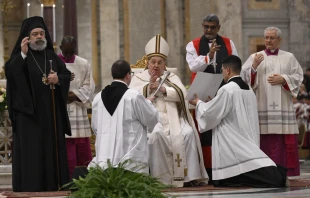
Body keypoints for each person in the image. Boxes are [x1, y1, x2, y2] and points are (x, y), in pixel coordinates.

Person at [189, 55, 287, 187]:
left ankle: (278, 176)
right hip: (246, 134)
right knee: (248, 167)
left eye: (222, 70)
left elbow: (210, 114)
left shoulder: (227, 89)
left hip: (232, 137)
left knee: (240, 169)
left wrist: (199, 103)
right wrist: (213, 102)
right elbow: (226, 109)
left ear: (228, 70)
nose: (222, 73)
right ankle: (277, 175)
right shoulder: (248, 89)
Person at [130, 35, 208, 187]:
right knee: (156, 135)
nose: (156, 66)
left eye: (160, 62)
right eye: (153, 62)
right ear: (148, 63)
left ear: (165, 64)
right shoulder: (139, 78)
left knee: (188, 133)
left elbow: (184, 95)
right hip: (152, 120)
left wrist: (165, 90)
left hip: (173, 118)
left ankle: (189, 177)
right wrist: (148, 87)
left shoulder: (171, 76)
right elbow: (132, 97)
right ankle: (160, 179)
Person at [5, 16, 71, 191]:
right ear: (27, 37)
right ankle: (30, 187)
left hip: (50, 115)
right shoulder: (21, 56)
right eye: (35, 34)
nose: (39, 37)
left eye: (42, 33)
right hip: (28, 117)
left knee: (51, 152)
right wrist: (23, 53)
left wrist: (58, 80)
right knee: (32, 154)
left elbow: (65, 75)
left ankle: (53, 186)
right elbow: (11, 73)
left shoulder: (51, 56)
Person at [241, 27, 303, 176]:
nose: (268, 40)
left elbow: (298, 76)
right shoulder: (255, 57)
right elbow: (244, 79)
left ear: (279, 40)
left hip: (283, 106)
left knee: (282, 140)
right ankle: (265, 172)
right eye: (266, 37)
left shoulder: (289, 57)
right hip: (263, 104)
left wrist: (284, 79)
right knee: (265, 139)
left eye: (272, 38)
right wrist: (254, 67)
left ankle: (286, 171)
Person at [185, 13, 238, 182]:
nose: (209, 30)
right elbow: (194, 67)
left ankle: (226, 168)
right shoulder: (192, 45)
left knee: (224, 130)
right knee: (206, 132)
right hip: (202, 95)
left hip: (224, 93)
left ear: (218, 27)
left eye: (212, 27)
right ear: (202, 25)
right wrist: (210, 56)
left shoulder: (229, 43)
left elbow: (236, 63)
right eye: (206, 26)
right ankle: (208, 171)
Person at [89, 60, 158, 174]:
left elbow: (95, 127)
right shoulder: (133, 96)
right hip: (130, 163)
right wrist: (148, 103)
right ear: (127, 75)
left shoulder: (98, 97)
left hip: (104, 160)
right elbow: (151, 118)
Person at [58, 35, 95, 178]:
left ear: (75, 49)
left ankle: (82, 178)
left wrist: (70, 95)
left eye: (71, 52)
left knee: (81, 146)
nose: (68, 56)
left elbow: (89, 87)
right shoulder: (53, 62)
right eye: (65, 52)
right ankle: (64, 178)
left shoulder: (84, 64)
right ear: (60, 48)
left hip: (78, 109)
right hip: (60, 110)